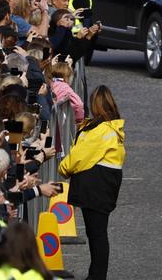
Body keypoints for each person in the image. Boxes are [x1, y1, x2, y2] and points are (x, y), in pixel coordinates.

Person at [58, 85, 125, 280]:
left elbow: (79, 157)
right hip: (106, 183)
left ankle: (97, 276)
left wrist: (63, 168)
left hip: (96, 184)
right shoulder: (112, 126)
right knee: (97, 232)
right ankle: (96, 274)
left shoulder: (99, 130)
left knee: (96, 234)